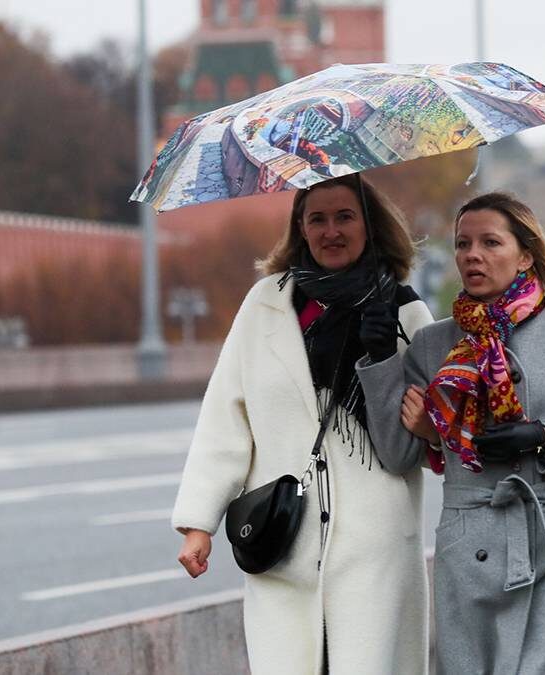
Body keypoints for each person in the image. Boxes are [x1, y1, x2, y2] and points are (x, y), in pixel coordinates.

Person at [358, 192, 545, 673]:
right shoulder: (432, 343)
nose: (472, 255)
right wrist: (382, 359)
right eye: (463, 243)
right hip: (470, 550)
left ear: (525, 254)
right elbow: (398, 454)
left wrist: (543, 438)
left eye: (490, 242)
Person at [171, 173, 433, 674]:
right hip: (284, 536)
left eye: (344, 217)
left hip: (376, 547)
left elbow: (423, 437)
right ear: (300, 228)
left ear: (369, 225)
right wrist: (198, 523)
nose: (331, 230)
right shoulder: (266, 304)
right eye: (317, 219)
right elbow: (227, 414)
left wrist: (385, 355)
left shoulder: (405, 311)